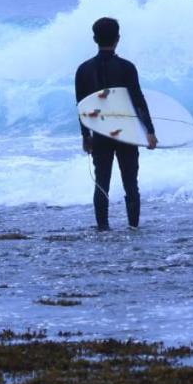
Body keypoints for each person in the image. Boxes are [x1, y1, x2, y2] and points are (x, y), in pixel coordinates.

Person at [75, 17, 156, 230]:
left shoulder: (83, 70)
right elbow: (138, 100)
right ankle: (134, 227)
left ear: (94, 39)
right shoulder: (127, 67)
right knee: (131, 182)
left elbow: (82, 107)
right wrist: (149, 130)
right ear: (118, 38)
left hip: (100, 132)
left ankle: (103, 228)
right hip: (126, 132)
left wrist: (85, 135)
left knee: (102, 182)